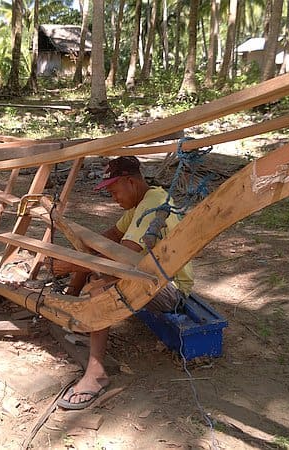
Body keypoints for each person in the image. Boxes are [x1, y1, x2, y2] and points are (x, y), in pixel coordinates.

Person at [51, 156, 193, 410]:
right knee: (91, 262)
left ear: (130, 181)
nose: (113, 197)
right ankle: (72, 307)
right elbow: (111, 237)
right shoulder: (142, 202)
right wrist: (82, 249)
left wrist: (72, 264)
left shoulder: (154, 204)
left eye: (114, 190)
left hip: (170, 289)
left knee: (100, 288)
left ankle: (96, 374)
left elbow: (123, 256)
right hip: (149, 275)